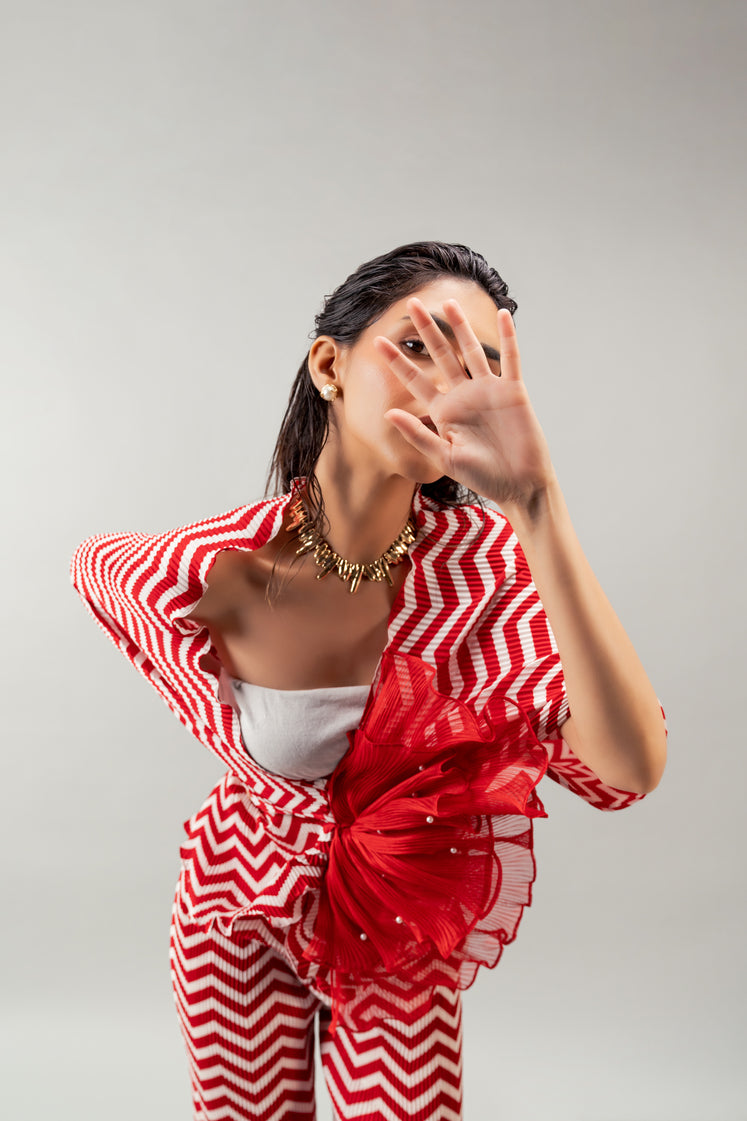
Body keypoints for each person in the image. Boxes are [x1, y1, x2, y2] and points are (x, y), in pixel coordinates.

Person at [71, 241, 668, 1121]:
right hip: (231, 898)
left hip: (395, 912)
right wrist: (236, 748)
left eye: (480, 362)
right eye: (418, 346)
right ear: (329, 364)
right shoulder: (219, 562)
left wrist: (537, 506)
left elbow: (625, 768)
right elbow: (100, 572)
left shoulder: (485, 573)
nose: (446, 383)